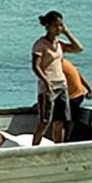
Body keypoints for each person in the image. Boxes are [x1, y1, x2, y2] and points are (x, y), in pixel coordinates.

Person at [31, 11, 84, 145]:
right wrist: (46, 81)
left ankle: (58, 147)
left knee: (60, 120)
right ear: (47, 26)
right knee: (45, 121)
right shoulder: (40, 44)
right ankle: (34, 148)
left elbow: (79, 48)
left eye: (61, 25)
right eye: (56, 26)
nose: (59, 29)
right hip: (47, 86)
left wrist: (67, 32)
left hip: (61, 85)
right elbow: (35, 66)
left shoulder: (59, 44)